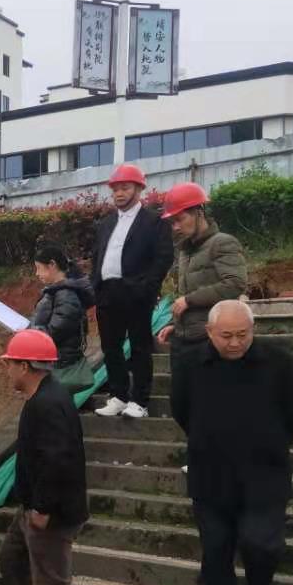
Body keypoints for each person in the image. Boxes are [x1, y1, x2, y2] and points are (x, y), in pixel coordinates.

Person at [171, 300, 293, 585]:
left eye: (242, 335)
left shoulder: (279, 361)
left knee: (261, 541)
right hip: (210, 474)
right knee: (216, 549)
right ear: (209, 332)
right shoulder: (190, 363)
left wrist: (269, 441)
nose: (235, 343)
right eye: (226, 336)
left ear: (253, 330)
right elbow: (181, 409)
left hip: (265, 473)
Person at [0, 329, 89, 585]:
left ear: (24, 366)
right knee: (11, 559)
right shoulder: (43, 398)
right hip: (33, 507)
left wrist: (44, 508)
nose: (7, 371)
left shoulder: (48, 403)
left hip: (51, 514)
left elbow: (57, 460)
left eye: (10, 364)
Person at [91, 164, 174, 420]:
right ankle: (118, 396)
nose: (119, 193)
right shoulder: (106, 223)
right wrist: (96, 285)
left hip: (137, 292)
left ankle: (140, 400)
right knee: (110, 347)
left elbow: (163, 257)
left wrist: (147, 287)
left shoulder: (154, 222)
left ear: (139, 189)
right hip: (107, 292)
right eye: (115, 189)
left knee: (139, 347)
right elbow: (97, 256)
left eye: (125, 188)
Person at [155, 182, 249, 395]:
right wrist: (174, 324)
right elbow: (185, 295)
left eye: (180, 219)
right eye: (172, 222)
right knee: (181, 401)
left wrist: (189, 301)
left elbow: (235, 284)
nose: (176, 227)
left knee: (213, 401)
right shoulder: (185, 251)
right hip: (183, 341)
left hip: (209, 340)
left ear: (199, 213)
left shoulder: (222, 243)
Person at [28, 245, 97, 392]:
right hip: (54, 362)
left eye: (39, 268)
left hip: (61, 365)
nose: (36, 273)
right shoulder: (55, 292)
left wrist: (29, 332)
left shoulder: (66, 296)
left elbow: (56, 331)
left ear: (52, 265)